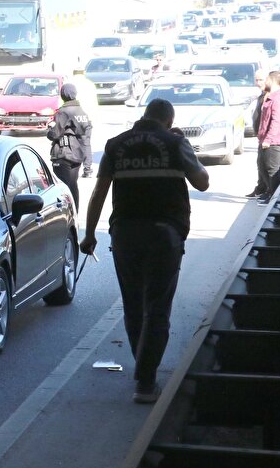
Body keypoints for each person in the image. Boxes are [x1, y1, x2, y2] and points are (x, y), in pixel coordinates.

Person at [81, 98, 210, 404]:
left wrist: (88, 235)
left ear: (144, 116)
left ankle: (142, 368)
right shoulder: (176, 144)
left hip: (125, 234)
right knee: (158, 307)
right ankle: (145, 381)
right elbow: (203, 183)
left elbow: (99, 191)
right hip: (164, 235)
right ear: (168, 120)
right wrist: (182, 143)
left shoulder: (116, 145)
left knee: (133, 304)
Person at [46, 83, 92, 207]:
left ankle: (66, 215)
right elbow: (86, 139)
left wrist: (49, 131)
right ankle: (75, 212)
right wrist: (88, 164)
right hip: (77, 156)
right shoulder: (82, 112)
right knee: (72, 185)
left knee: (62, 188)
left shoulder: (64, 112)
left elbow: (55, 134)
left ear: (63, 95)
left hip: (63, 155)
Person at [254, 70, 280, 204]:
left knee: (272, 170)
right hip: (265, 139)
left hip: (273, 141)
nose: (265, 82)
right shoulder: (271, 96)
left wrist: (268, 139)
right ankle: (269, 192)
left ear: (272, 81)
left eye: (267, 79)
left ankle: (275, 197)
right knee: (262, 166)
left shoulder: (279, 98)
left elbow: (275, 121)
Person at [244, 70, 269, 198]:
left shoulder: (270, 95)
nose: (257, 83)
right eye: (256, 80)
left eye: (260, 80)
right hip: (261, 135)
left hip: (267, 137)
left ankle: (267, 190)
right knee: (260, 164)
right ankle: (260, 188)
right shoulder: (262, 95)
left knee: (266, 165)